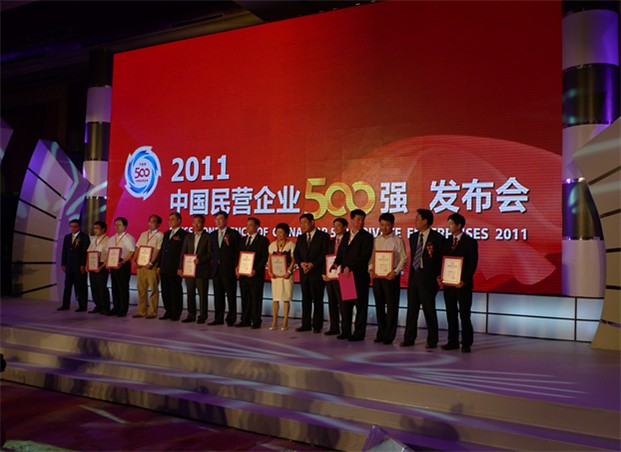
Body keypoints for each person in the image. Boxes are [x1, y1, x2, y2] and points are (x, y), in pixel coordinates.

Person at [402, 208, 444, 348]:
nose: (415, 221)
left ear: (425, 221)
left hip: (429, 278)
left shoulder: (437, 238)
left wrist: (438, 275)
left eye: (418, 219)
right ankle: (409, 338)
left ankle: (432, 340)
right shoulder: (413, 237)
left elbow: (440, 260)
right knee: (412, 309)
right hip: (414, 276)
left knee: (429, 309)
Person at [439, 213, 479, 353]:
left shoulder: (470, 242)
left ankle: (466, 343)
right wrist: (440, 275)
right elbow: (442, 261)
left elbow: (472, 264)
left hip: (463, 285)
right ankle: (452, 341)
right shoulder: (446, 242)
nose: (448, 227)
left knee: (464, 315)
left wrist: (464, 280)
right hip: (449, 285)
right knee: (451, 314)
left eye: (451, 224)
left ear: (459, 225)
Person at [334, 209, 373, 341]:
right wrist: (336, 263)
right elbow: (341, 252)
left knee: (360, 305)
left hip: (359, 276)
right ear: (351, 220)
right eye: (358, 220)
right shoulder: (346, 235)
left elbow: (364, 256)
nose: (361, 222)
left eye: (362, 220)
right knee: (346, 305)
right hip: (346, 277)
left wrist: (350, 266)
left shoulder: (367, 236)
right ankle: (345, 331)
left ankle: (359, 333)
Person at [369, 213, 407, 345]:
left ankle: (389, 335)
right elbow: (371, 258)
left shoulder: (398, 240)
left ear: (393, 225)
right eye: (382, 225)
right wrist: (371, 269)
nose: (384, 227)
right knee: (379, 305)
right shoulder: (375, 240)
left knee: (391, 306)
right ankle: (381, 332)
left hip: (391, 277)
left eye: (387, 225)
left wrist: (395, 272)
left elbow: (404, 259)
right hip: (377, 277)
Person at [293, 213, 329, 333]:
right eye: (301, 223)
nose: (302, 225)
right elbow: (296, 253)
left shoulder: (323, 236)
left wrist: (313, 264)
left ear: (312, 222)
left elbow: (324, 254)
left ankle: (317, 326)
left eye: (305, 222)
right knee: (305, 299)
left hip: (317, 273)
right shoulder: (301, 237)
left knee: (318, 300)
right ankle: (306, 324)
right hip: (304, 273)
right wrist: (301, 263)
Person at [236, 217, 270, 329]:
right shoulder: (242, 240)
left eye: (251, 225)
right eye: (247, 225)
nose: (248, 227)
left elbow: (264, 258)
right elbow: (238, 256)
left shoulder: (263, 240)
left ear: (257, 227)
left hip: (256, 274)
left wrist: (255, 269)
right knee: (245, 297)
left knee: (256, 298)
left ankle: (256, 320)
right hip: (243, 274)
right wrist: (237, 267)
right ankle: (245, 319)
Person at [210, 211, 241, 326]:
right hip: (216, 270)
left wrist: (236, 266)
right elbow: (211, 252)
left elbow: (238, 252)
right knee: (218, 296)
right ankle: (218, 318)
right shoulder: (212, 235)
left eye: (220, 219)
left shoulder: (233, 234)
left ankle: (231, 319)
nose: (218, 221)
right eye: (216, 219)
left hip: (229, 269)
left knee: (231, 295)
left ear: (226, 220)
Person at [179, 214, 211, 323]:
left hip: (202, 270)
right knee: (190, 293)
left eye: (198, 222)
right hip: (189, 270)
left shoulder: (208, 237)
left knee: (202, 295)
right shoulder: (188, 237)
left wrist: (200, 260)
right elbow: (183, 252)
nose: (196, 224)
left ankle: (203, 315)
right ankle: (191, 315)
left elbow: (210, 253)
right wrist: (180, 267)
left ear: (203, 223)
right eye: (194, 222)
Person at [132, 215, 164, 319]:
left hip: (152, 266)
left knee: (153, 289)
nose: (151, 223)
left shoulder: (160, 235)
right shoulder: (143, 234)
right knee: (141, 289)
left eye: (154, 221)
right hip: (141, 266)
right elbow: (138, 248)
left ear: (158, 224)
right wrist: (135, 260)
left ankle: (152, 312)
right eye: (149, 221)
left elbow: (157, 250)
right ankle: (141, 311)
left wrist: (151, 262)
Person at [158, 212, 188, 321]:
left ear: (179, 220)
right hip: (164, 267)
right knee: (165, 290)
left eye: (173, 219)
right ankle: (168, 311)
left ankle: (176, 313)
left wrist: (180, 267)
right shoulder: (166, 234)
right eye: (169, 219)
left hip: (175, 268)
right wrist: (159, 265)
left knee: (175, 291)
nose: (170, 221)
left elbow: (183, 252)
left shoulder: (184, 234)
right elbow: (162, 251)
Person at [322, 217, 349, 336]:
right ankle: (334, 327)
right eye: (334, 226)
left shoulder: (349, 241)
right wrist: (324, 272)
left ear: (345, 227)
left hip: (346, 276)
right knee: (332, 302)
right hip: (331, 276)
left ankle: (346, 330)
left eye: (339, 226)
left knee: (345, 304)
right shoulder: (331, 241)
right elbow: (325, 257)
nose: (336, 228)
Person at [267, 223, 296, 331]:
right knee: (275, 298)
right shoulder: (272, 245)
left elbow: (293, 260)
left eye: (281, 232)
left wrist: (289, 271)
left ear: (286, 233)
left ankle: (285, 320)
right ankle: (274, 320)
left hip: (286, 275)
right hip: (275, 275)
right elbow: (269, 259)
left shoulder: (291, 245)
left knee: (285, 298)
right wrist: (269, 271)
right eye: (277, 232)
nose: (279, 234)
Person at [59, 219, 90, 311]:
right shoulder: (67, 237)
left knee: (81, 286)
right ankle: (65, 305)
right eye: (71, 226)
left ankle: (82, 306)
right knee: (67, 286)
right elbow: (64, 251)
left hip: (79, 266)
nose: (73, 228)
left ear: (79, 227)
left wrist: (83, 264)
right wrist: (63, 263)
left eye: (75, 226)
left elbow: (85, 252)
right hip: (69, 266)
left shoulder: (84, 237)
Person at [108, 217, 136, 317]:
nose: (117, 227)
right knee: (114, 286)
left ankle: (123, 309)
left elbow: (132, 252)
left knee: (123, 287)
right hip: (113, 263)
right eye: (115, 225)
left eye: (119, 225)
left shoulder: (129, 238)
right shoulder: (112, 238)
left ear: (125, 226)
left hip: (123, 263)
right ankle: (115, 307)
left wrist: (122, 262)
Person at [86, 220, 110, 314]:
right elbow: (89, 252)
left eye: (97, 228)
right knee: (94, 286)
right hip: (92, 264)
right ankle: (98, 305)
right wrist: (87, 264)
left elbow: (109, 256)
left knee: (102, 287)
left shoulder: (108, 240)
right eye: (94, 228)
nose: (95, 230)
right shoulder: (93, 239)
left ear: (103, 229)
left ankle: (105, 307)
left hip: (101, 265)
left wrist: (102, 267)